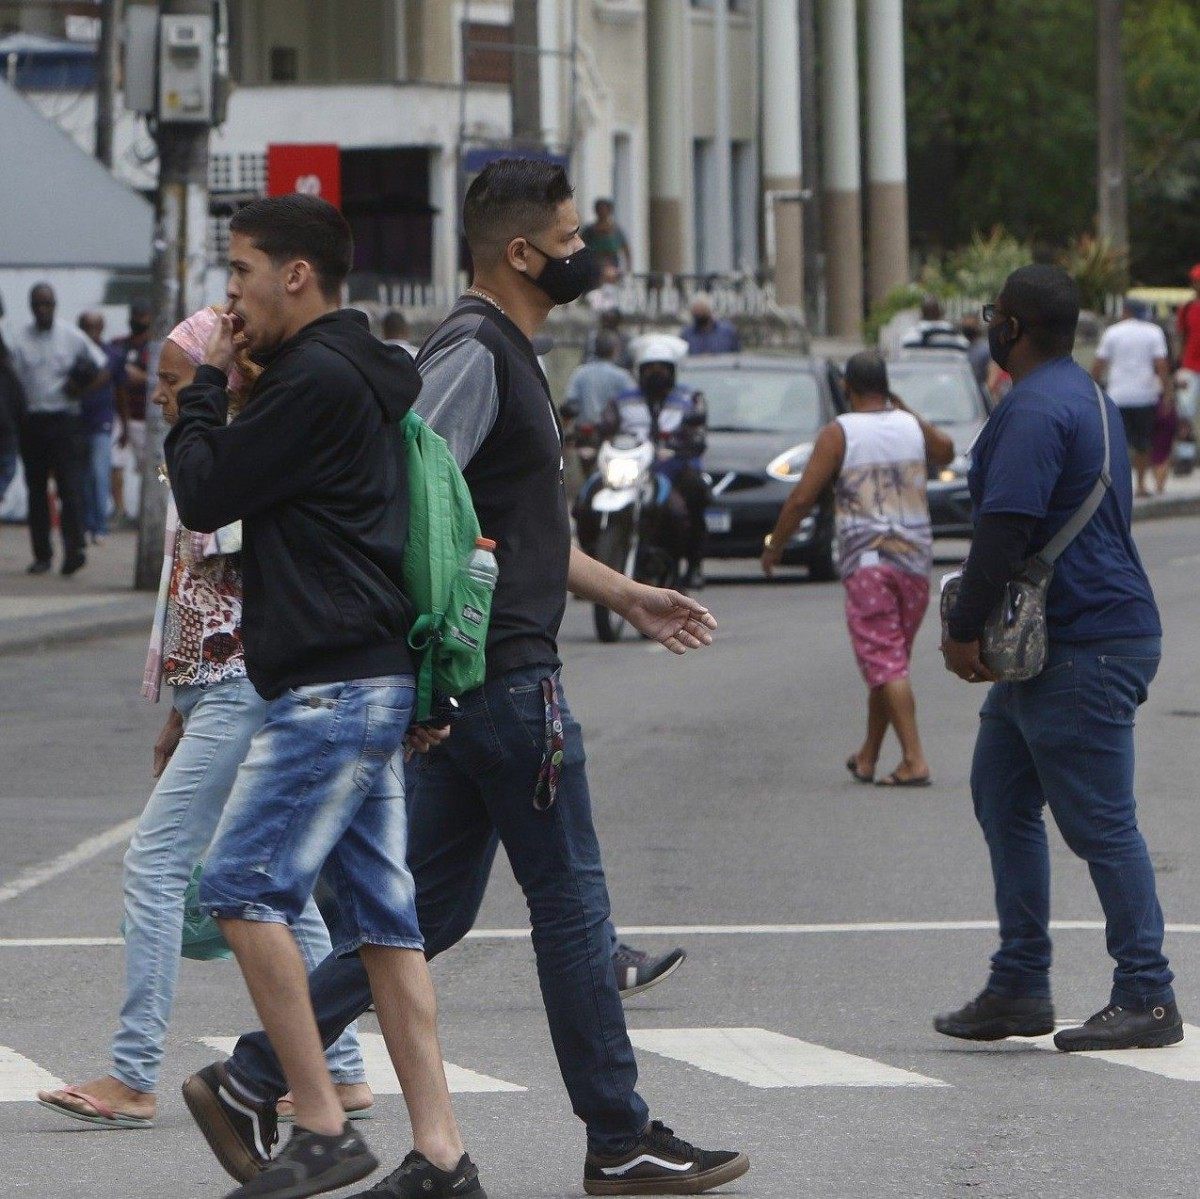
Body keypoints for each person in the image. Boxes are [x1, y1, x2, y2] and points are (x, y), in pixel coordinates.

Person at [189, 159, 747, 1199]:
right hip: (493, 679)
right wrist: (428, 667)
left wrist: (624, 592)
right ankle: (618, 1133)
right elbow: (412, 502)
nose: (593, 252)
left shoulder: (511, 351)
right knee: (572, 901)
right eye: (577, 237)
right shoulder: (476, 350)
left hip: (480, 677)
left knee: (417, 916)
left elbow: (502, 526)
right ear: (525, 252)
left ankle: (259, 1075)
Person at [167, 195, 481, 1199]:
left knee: (240, 886)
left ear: (296, 274)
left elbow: (205, 493)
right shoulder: (359, 371)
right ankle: (440, 1152)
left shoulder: (313, 378)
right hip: (367, 671)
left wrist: (202, 391)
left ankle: (316, 1115)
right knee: (387, 923)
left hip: (334, 685)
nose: (232, 295)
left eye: (242, 271)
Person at [35, 306, 374, 1134]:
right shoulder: (208, 453)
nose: (155, 393)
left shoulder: (235, 457)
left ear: (213, 381)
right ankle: (347, 1067)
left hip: (239, 689)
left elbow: (244, 583)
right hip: (218, 691)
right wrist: (177, 708)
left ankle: (134, 1071)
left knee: (153, 865)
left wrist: (207, 698)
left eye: (171, 378)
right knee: (274, 884)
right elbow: (196, 597)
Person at [937, 265, 1180, 1052]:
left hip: (1082, 642)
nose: (987, 327)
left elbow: (1004, 529)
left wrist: (962, 627)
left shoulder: (1036, 409)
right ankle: (1019, 983)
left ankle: (1148, 992)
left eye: (993, 316)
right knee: (1000, 793)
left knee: (1102, 822)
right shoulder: (1089, 396)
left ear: (1011, 326)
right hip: (1066, 641)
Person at [761, 351, 954, 787]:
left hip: (869, 564)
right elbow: (946, 450)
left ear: (847, 388)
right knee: (891, 661)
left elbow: (801, 498)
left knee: (885, 662)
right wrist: (905, 410)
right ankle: (868, 755)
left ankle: (914, 759)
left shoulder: (839, 433)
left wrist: (775, 545)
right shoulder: (909, 424)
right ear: (887, 388)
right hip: (915, 563)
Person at [9, 282, 108, 575]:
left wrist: (81, 388)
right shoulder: (19, 338)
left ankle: (74, 550)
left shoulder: (71, 336)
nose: (43, 310)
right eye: (38, 305)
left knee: (70, 487)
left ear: (55, 305)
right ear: (31, 307)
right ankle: (42, 555)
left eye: (47, 304)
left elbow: (102, 366)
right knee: (36, 490)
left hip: (65, 419)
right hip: (33, 421)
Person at [598, 333, 710, 590]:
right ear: (640, 370)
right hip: (631, 465)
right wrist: (587, 435)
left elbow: (698, 434)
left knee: (690, 499)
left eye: (662, 368)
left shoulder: (690, 399)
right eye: (650, 368)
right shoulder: (622, 399)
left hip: (674, 467)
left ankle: (692, 564)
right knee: (586, 497)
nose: (656, 374)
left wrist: (683, 446)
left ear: (673, 371)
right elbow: (605, 426)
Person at [1092, 298, 1173, 498]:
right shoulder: (1154, 332)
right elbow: (1161, 365)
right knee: (1143, 443)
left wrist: (1090, 389)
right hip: (1145, 395)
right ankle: (1141, 485)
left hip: (1117, 396)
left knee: (1116, 444)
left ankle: (1115, 486)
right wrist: (1168, 393)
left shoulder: (1112, 332)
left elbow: (1098, 364)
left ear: (1125, 311)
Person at [77, 311, 121, 544]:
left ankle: (100, 526)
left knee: (99, 474)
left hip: (101, 421)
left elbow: (118, 386)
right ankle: (88, 524)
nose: (92, 332)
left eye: (95, 326)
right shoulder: (75, 353)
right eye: (87, 327)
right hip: (77, 422)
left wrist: (121, 423)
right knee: (83, 477)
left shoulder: (110, 354)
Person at [112, 299, 154, 523]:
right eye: (135, 316)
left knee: (152, 470)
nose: (138, 321)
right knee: (115, 463)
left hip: (146, 418)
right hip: (121, 414)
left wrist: (140, 377)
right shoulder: (119, 344)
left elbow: (163, 378)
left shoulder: (156, 347)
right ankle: (120, 511)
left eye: (143, 316)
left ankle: (146, 513)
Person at [564, 330, 634, 428]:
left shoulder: (580, 372)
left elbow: (570, 403)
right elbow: (633, 402)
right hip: (613, 433)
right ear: (615, 350)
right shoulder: (622, 376)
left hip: (585, 431)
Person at [0, 328, 24, 510]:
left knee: (8, 467)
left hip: (7, 428)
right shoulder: (8, 371)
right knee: (8, 467)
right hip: (7, 427)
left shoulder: (8, 372)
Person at [1174, 264, 1200, 428]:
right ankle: (1186, 450)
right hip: (1189, 366)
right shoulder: (1187, 308)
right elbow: (1180, 337)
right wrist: (1178, 366)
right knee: (1184, 411)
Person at [581, 197, 631, 274]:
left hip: (612, 267)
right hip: (594, 266)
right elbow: (581, 247)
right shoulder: (589, 230)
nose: (602, 212)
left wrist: (628, 267)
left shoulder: (616, 230)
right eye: (599, 209)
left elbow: (626, 249)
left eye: (604, 209)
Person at [901, 297, 970, 351]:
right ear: (940, 313)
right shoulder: (952, 332)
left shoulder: (913, 333)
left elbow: (904, 347)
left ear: (921, 314)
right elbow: (965, 346)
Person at [960, 313, 991, 389]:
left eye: (970, 326)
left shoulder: (985, 349)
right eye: (966, 326)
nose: (968, 329)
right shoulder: (960, 347)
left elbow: (991, 376)